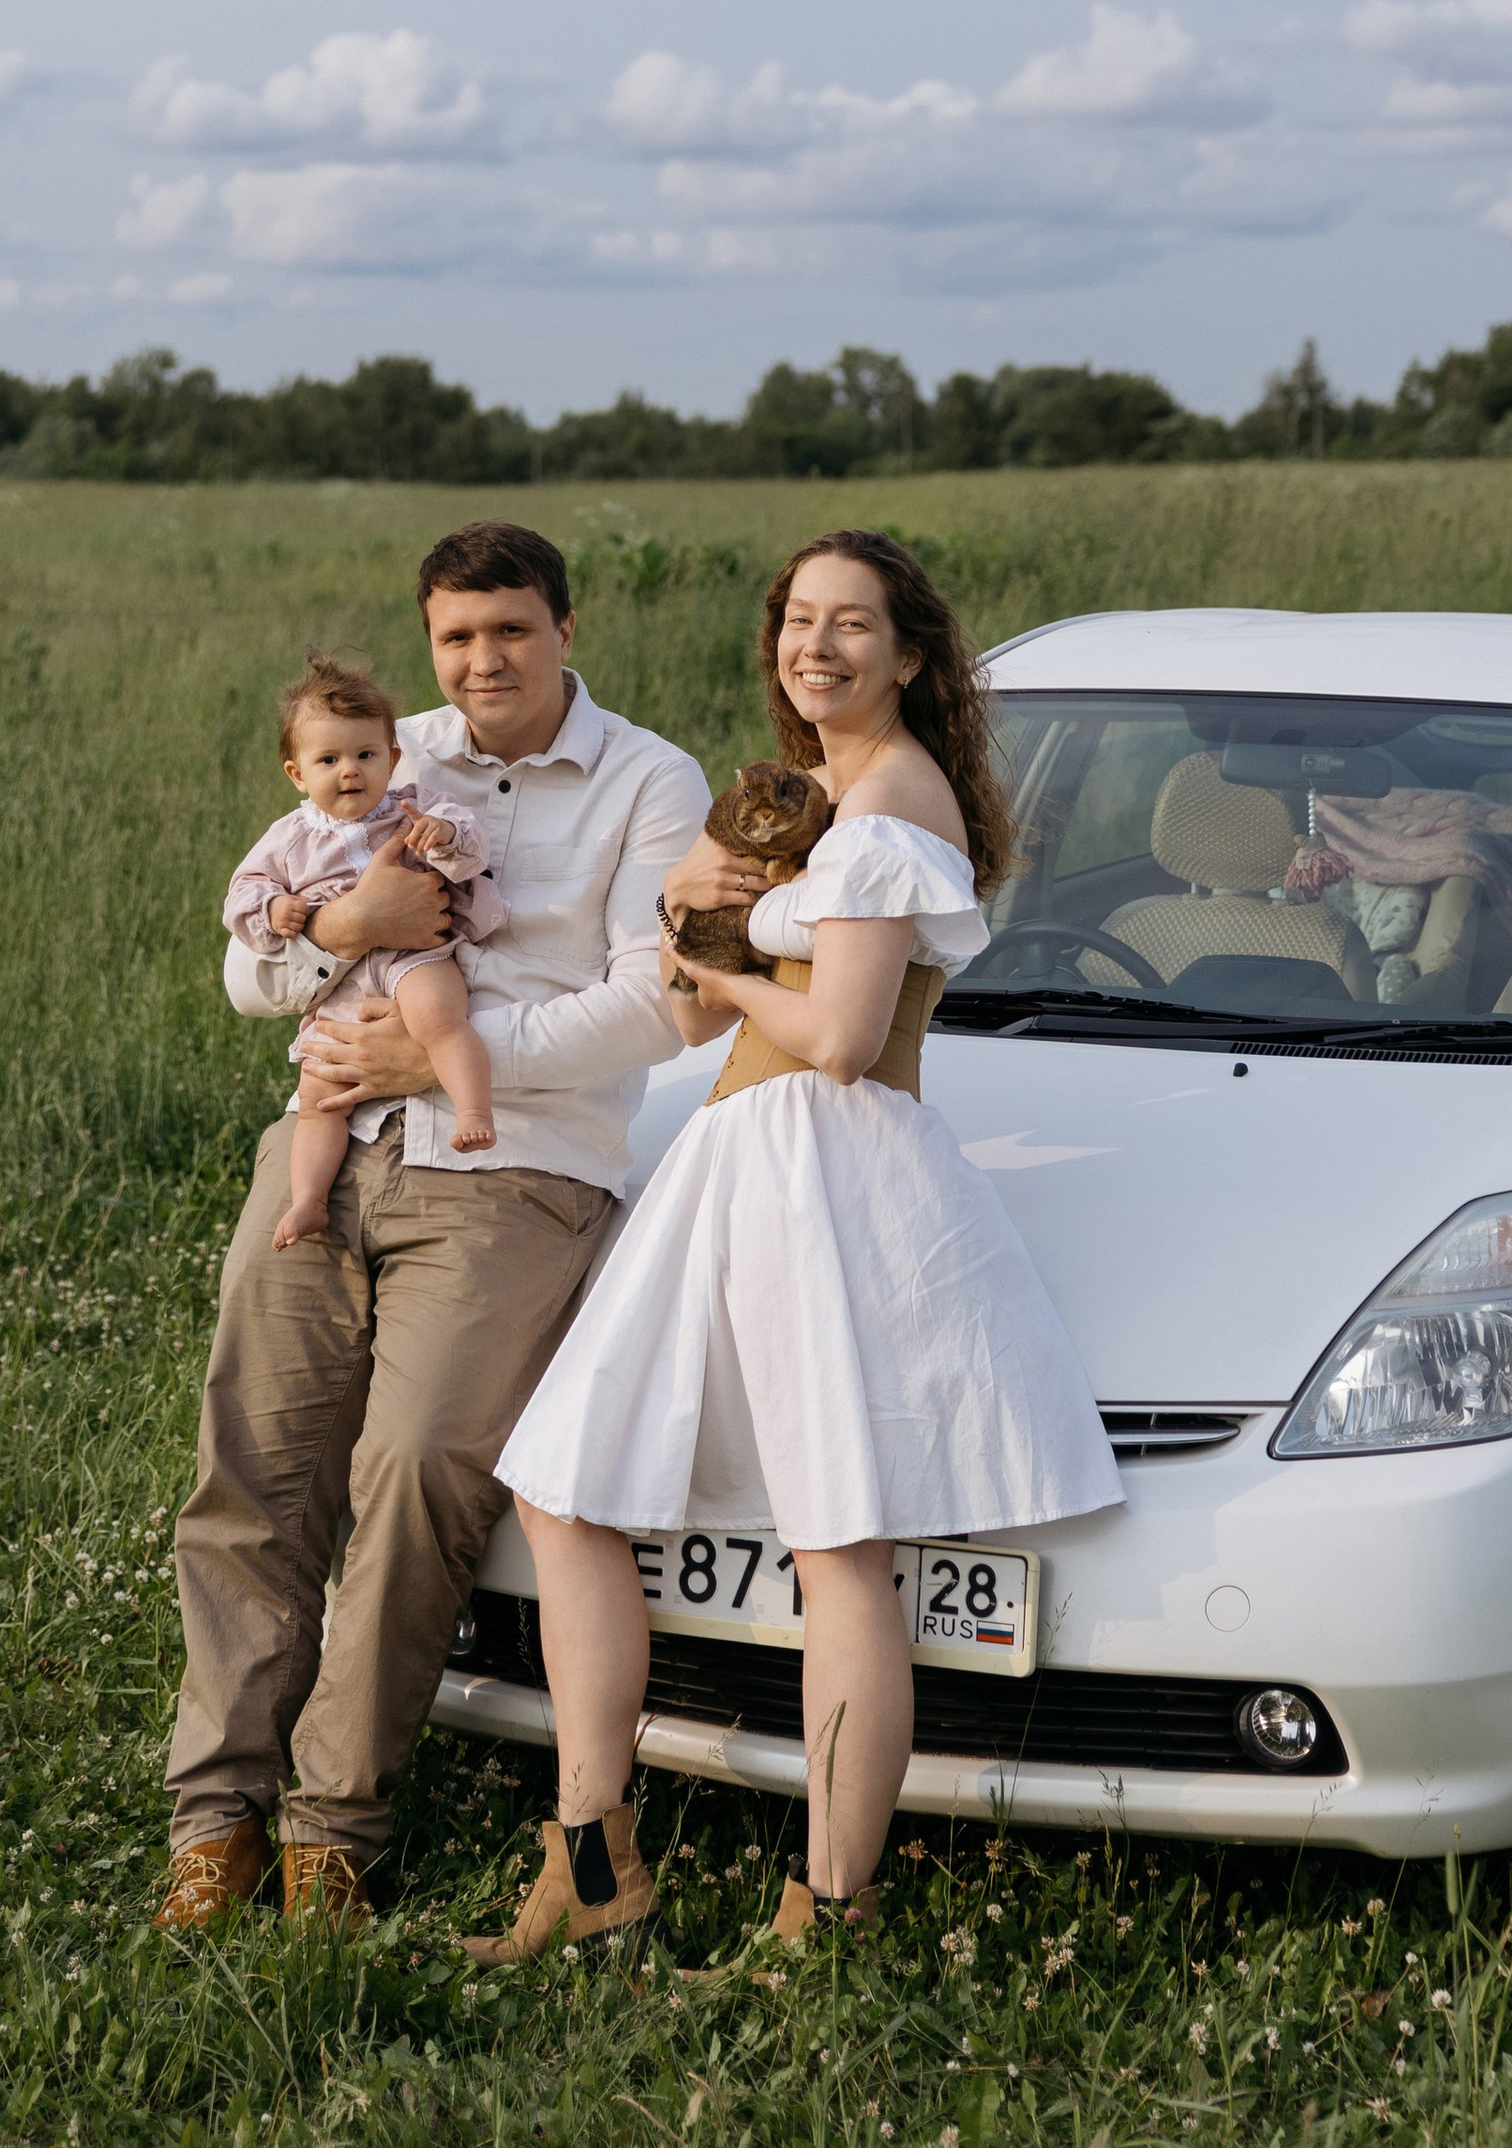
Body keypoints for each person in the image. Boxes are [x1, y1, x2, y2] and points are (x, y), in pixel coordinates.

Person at [466, 529, 1121, 1970]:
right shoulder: (814, 798)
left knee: (839, 1551)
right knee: (570, 1486)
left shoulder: (892, 806)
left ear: (910, 655)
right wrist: (710, 908)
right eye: (797, 622)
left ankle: (832, 1904)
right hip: (738, 1155)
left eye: (851, 626)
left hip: (827, 1166)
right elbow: (712, 1005)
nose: (816, 646)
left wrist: (710, 963)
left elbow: (834, 1038)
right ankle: (592, 1853)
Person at [157, 522, 709, 1933]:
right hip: (325, 1147)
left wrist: (449, 1059)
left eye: (511, 631)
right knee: (254, 1473)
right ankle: (214, 1815)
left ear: (566, 629)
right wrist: (347, 932)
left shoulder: (649, 782)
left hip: (514, 1168)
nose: (483, 662)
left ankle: (333, 1823)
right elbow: (245, 971)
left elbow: (655, 1002)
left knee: (414, 1477)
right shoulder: (377, 756)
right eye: (458, 638)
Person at [225, 655, 509, 1249]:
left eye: (364, 756)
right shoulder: (289, 838)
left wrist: (448, 836)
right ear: (296, 773)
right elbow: (243, 894)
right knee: (318, 1094)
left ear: (393, 760)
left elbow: (473, 845)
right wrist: (274, 910)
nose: (349, 772)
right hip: (341, 987)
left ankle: (474, 1113)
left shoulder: (414, 808)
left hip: (415, 958)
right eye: (328, 760)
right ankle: (308, 1201)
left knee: (439, 1019)